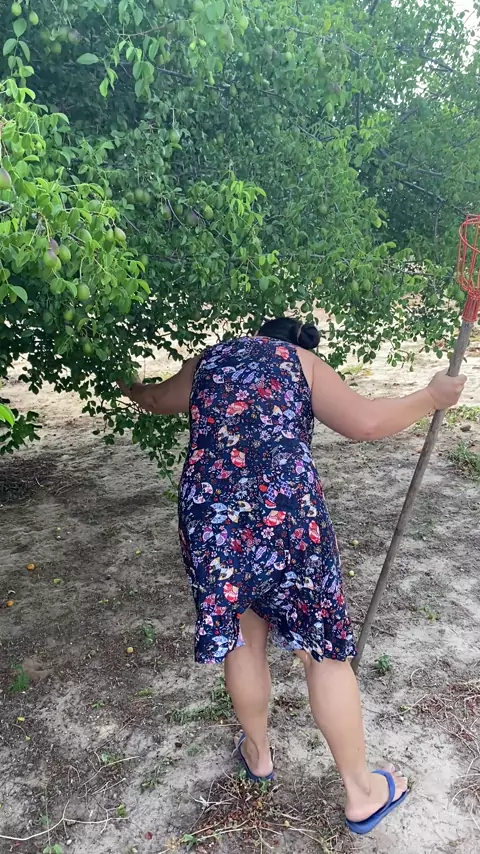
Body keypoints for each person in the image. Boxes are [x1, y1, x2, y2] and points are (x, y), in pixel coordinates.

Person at [117, 316, 466, 835]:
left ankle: (259, 755)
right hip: (286, 515)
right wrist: (431, 397)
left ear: (257, 335)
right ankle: (361, 793)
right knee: (322, 653)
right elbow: (366, 423)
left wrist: (126, 383)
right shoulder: (300, 361)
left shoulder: (209, 361)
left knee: (242, 638)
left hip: (213, 518)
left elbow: (152, 399)